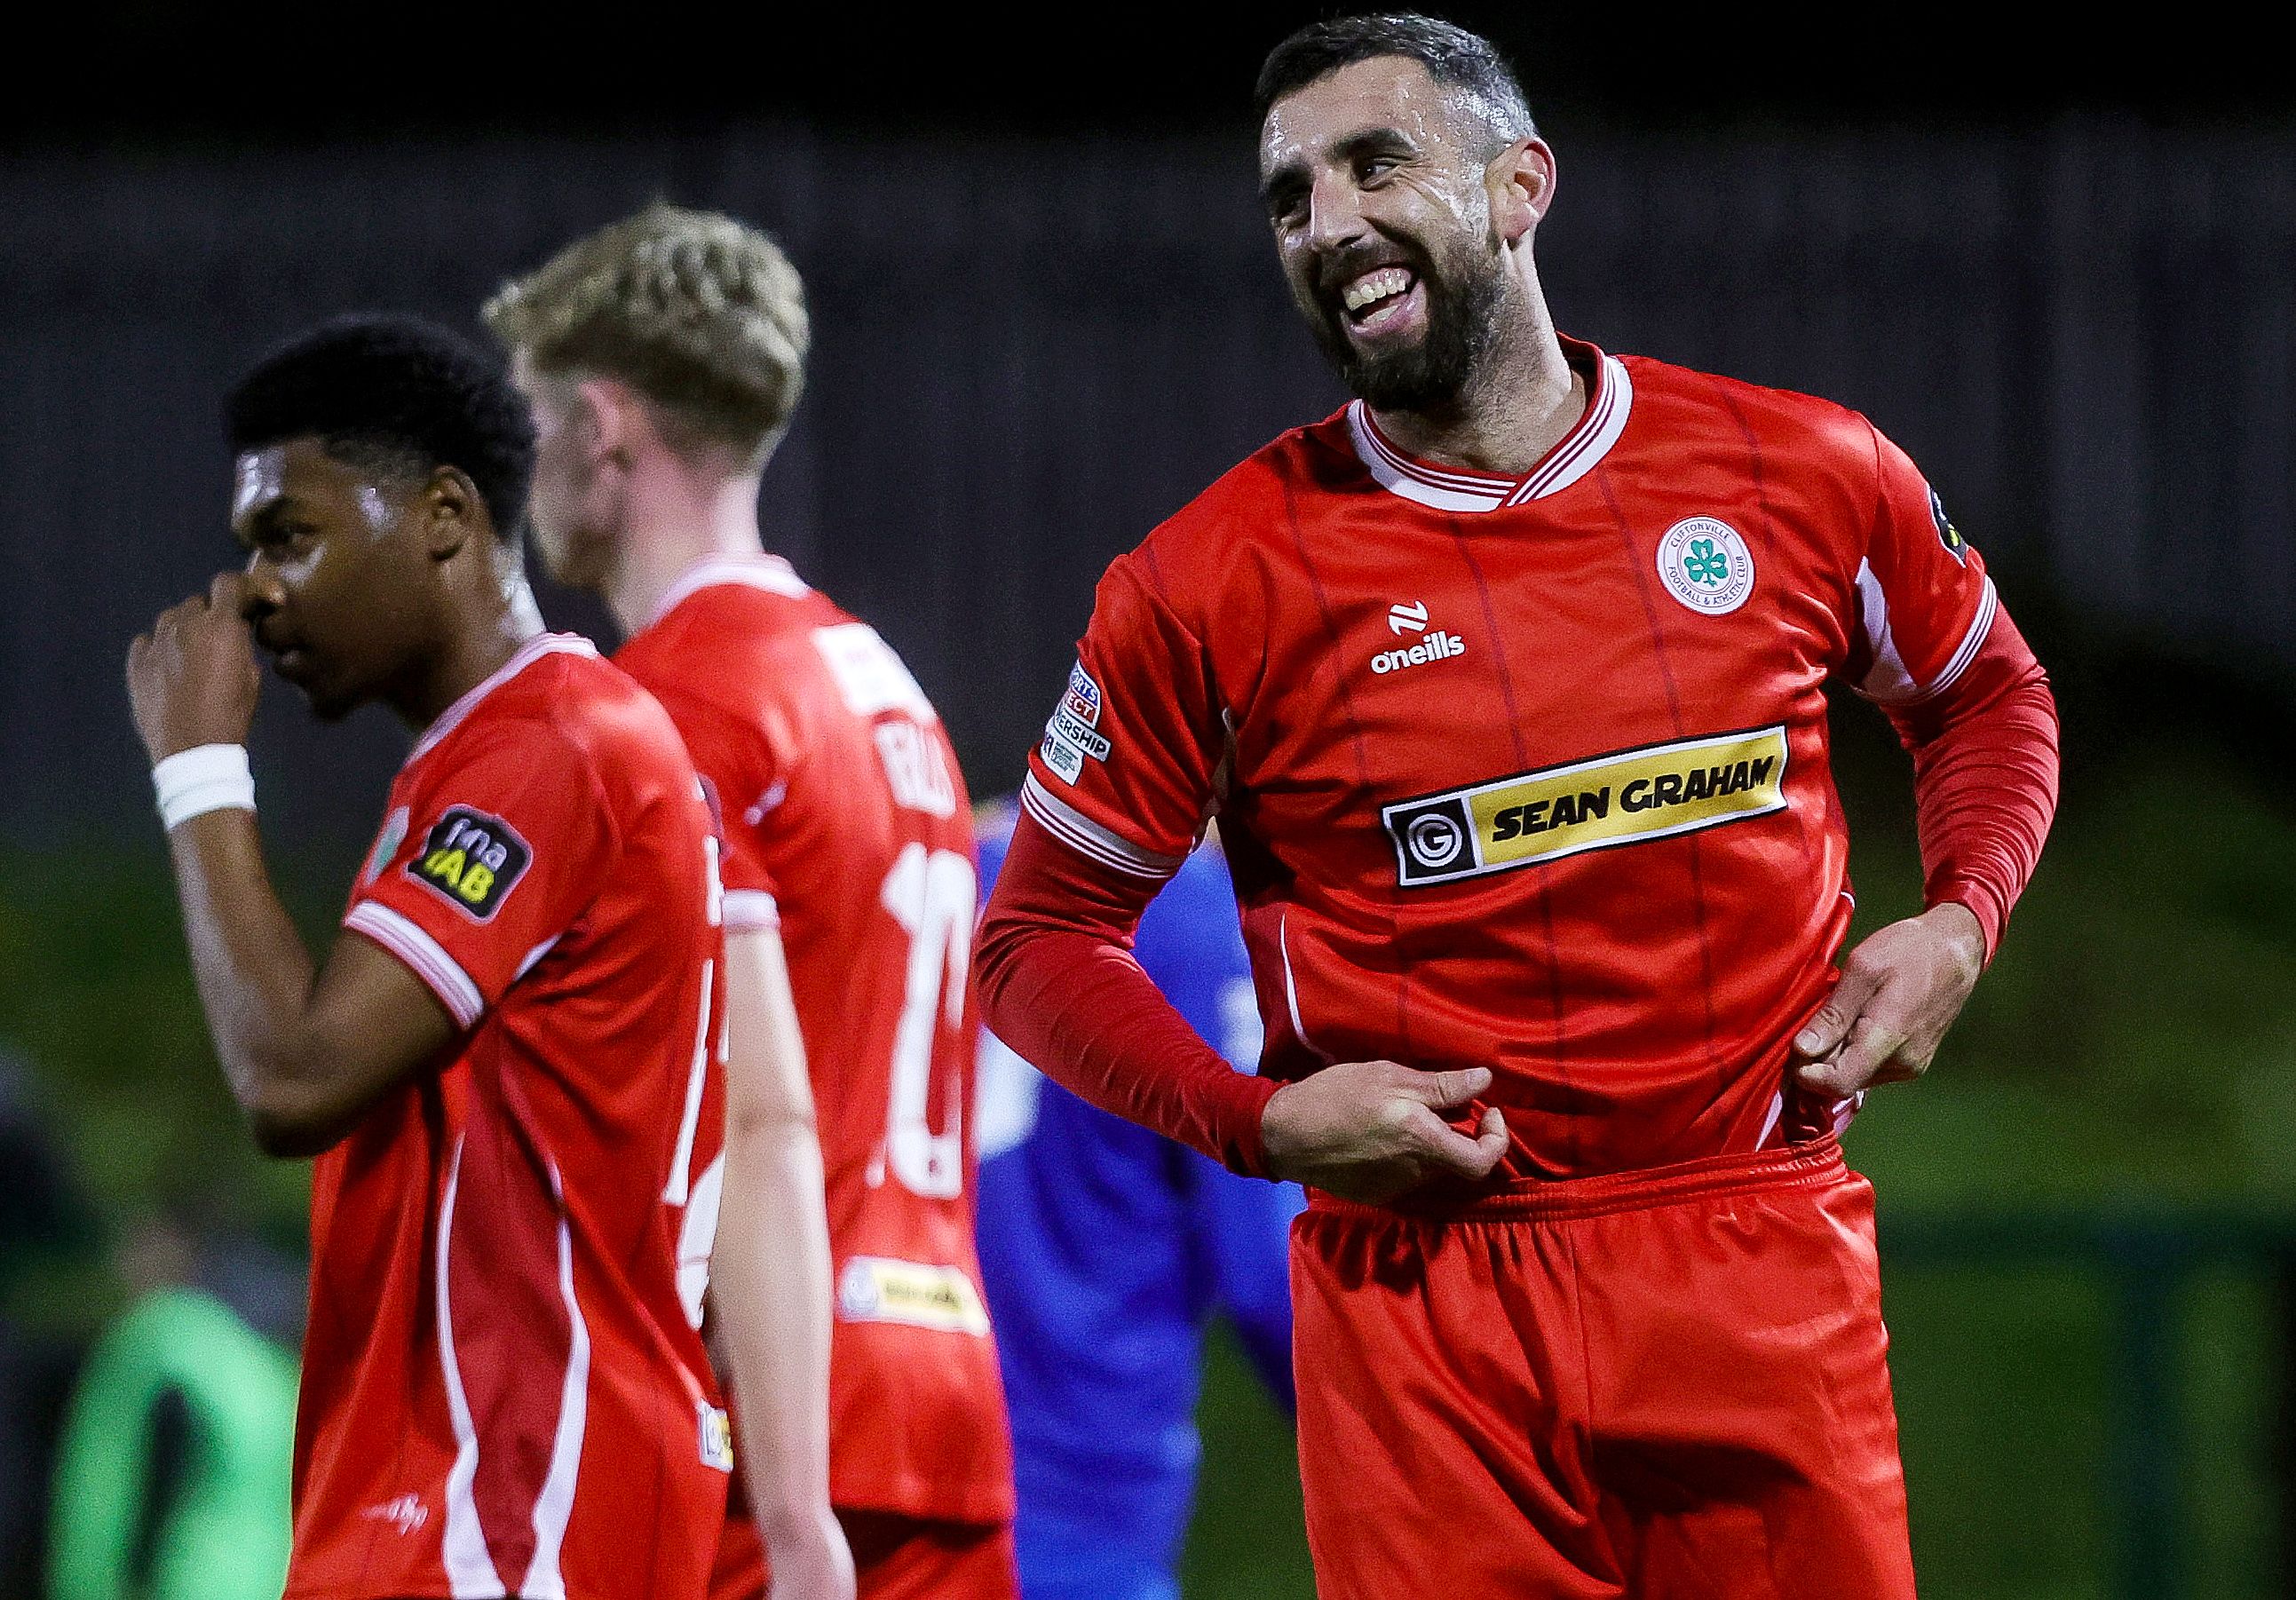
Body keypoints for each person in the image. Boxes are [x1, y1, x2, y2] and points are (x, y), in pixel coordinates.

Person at [976, 15, 2062, 1599]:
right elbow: (1037, 938)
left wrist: (1961, 923)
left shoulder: (1797, 472)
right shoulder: (1203, 586)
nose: (1327, 221)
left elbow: (1985, 693)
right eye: (1288, 198)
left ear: (1518, 185)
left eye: (1374, 163)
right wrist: (1260, 1122)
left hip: (1748, 1254)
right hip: (1427, 1312)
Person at [125, 316, 731, 1600]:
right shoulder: (482, 764)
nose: (255, 593)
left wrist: (196, 767)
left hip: (514, 1508)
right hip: (454, 1499)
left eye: (291, 536)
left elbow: (292, 1073)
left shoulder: (552, 747)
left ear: (445, 514)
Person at [487, 206, 1015, 1600]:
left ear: (601, 422)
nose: (522, 469)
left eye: (533, 419)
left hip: (771, 1431)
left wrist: (786, 1509)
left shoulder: (673, 708)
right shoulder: (885, 689)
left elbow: (760, 1113)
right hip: (944, 1393)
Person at [973, 801, 1301, 1600]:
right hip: (1077, 1501)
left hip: (892, 1451)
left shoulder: (957, 856)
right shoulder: (1187, 912)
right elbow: (1276, 1281)